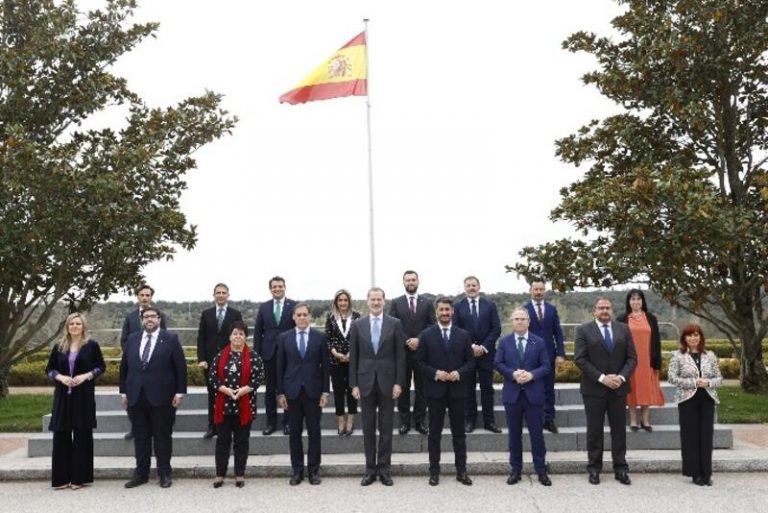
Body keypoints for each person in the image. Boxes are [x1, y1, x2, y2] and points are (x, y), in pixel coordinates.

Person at [119, 306, 187, 489]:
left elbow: (180, 368)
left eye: (153, 316)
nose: (149, 319)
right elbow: (124, 367)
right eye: (146, 316)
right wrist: (123, 392)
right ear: (142, 320)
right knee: (140, 438)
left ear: (159, 319)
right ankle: (141, 474)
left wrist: (180, 393)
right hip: (136, 396)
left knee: (162, 437)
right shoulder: (132, 339)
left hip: (163, 397)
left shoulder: (170, 339)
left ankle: (164, 473)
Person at [573, 297, 637, 486]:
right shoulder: (583, 330)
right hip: (594, 389)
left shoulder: (623, 329)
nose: (604, 311)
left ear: (612, 310)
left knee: (619, 431)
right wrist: (603, 378)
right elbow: (580, 359)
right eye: (601, 308)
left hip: (618, 389)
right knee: (594, 431)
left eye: (607, 308)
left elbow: (632, 359)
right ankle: (594, 469)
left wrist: (621, 378)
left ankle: (621, 469)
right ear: (594, 311)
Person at [349, 287, 406, 486]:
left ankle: (384, 470)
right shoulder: (357, 325)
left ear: (384, 301)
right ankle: (369, 471)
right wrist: (353, 384)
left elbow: (400, 356)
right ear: (367, 301)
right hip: (364, 383)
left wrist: (399, 382)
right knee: (368, 429)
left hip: (388, 383)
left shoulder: (395, 324)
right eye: (372, 299)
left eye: (378, 299)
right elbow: (353, 356)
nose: (375, 302)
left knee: (386, 429)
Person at [415, 298, 475, 486]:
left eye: (447, 310)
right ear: (436, 312)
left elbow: (471, 362)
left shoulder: (464, 335)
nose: (444, 313)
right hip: (435, 392)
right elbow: (419, 362)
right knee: (434, 434)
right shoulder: (426, 335)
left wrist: (459, 373)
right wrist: (435, 373)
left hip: (458, 391)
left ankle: (462, 471)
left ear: (452, 312)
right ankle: (434, 472)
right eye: (441, 310)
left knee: (459, 434)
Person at [45, 313, 106, 490]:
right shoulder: (59, 346)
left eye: (78, 323)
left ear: (83, 327)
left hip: (83, 396)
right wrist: (60, 377)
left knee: (82, 436)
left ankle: (79, 478)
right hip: (63, 396)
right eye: (71, 323)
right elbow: (49, 369)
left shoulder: (91, 346)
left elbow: (101, 367)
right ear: (67, 326)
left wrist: (86, 376)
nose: (74, 326)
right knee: (61, 435)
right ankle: (61, 479)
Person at [495, 308, 552, 486]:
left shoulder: (539, 342)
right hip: (512, 395)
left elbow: (546, 366)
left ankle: (541, 470)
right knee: (514, 436)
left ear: (529, 321)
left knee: (537, 436)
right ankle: (516, 470)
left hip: (533, 395)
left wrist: (532, 375)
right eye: (516, 319)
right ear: (512, 322)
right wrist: (512, 374)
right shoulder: (504, 342)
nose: (519, 322)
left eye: (523, 319)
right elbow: (497, 363)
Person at [277, 303, 330, 485]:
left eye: (305, 314)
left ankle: (314, 471)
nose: (302, 318)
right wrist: (280, 393)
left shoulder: (320, 338)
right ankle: (297, 471)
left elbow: (326, 367)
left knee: (314, 433)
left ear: (310, 316)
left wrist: (325, 391)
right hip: (291, 393)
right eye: (298, 315)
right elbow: (279, 368)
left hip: (314, 393)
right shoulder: (284, 338)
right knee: (294, 435)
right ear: (293, 317)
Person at [209, 321, 264, 488]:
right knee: (222, 442)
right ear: (230, 336)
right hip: (223, 406)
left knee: (241, 442)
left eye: (241, 334)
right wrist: (225, 389)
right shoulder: (220, 355)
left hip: (244, 405)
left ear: (245, 336)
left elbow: (259, 377)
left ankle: (239, 474)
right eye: (235, 333)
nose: (237, 337)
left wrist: (243, 391)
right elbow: (212, 377)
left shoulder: (254, 356)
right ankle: (220, 475)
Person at [667, 324, 722, 486]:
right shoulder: (677, 356)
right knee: (690, 436)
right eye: (689, 335)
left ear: (701, 337)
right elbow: (671, 377)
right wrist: (693, 382)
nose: (693, 338)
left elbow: (719, 377)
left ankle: (706, 473)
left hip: (707, 399)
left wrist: (708, 382)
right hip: (687, 400)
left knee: (706, 436)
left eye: (696, 335)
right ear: (684, 338)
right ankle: (694, 473)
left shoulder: (710, 355)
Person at [452, 276, 501, 433]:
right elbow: (456, 329)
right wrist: (471, 347)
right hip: (467, 355)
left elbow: (496, 328)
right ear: (464, 288)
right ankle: (470, 421)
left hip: (486, 355)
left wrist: (484, 347)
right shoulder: (458, 306)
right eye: (468, 285)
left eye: (474, 285)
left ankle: (489, 422)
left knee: (487, 389)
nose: (471, 288)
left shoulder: (490, 305)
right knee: (468, 389)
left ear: (479, 287)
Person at [389, 270, 435, 435]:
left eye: (413, 279)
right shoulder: (396, 303)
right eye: (407, 280)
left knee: (422, 389)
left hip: (422, 352)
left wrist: (419, 340)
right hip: (403, 352)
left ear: (418, 281)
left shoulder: (427, 302)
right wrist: (407, 340)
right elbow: (392, 325)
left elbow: (432, 325)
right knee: (403, 387)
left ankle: (420, 421)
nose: (410, 282)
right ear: (403, 282)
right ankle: (404, 422)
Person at [119, 284, 168, 440]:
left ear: (151, 297)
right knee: (133, 396)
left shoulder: (161, 316)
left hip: (154, 365)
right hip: (134, 364)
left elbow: (164, 338)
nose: (145, 298)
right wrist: (132, 356)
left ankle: (154, 429)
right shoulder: (130, 317)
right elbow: (124, 339)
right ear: (137, 296)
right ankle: (135, 427)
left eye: (148, 295)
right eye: (142, 295)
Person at [197, 282, 243, 439]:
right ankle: (213, 426)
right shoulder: (206, 314)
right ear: (214, 295)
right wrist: (202, 358)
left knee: (230, 393)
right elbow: (201, 338)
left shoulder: (235, 314)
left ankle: (228, 426)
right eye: (218, 292)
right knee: (212, 394)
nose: (221, 295)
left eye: (224, 292)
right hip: (209, 362)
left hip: (230, 361)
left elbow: (239, 337)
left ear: (228, 295)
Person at [616, 289, 665, 431]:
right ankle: (633, 421)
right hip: (629, 361)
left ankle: (645, 420)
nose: (636, 302)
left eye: (638, 299)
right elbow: (618, 342)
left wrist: (657, 361)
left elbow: (657, 342)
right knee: (632, 389)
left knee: (646, 389)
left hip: (647, 360)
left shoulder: (651, 318)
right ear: (628, 302)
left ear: (642, 301)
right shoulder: (622, 319)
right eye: (632, 299)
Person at [253, 276, 296, 435]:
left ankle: (288, 422)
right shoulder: (264, 307)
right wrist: (256, 355)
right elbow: (258, 332)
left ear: (285, 287)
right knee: (270, 389)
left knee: (288, 388)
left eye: (280, 286)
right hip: (268, 354)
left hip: (289, 353)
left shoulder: (294, 305)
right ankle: (271, 423)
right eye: (274, 287)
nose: (277, 289)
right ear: (270, 289)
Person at [524, 278, 565, 433]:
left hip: (549, 355)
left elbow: (558, 333)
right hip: (530, 356)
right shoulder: (525, 310)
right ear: (531, 291)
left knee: (548, 388)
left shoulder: (551, 309)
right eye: (536, 289)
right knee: (531, 388)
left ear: (544, 291)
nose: (539, 292)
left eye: (541, 289)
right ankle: (534, 419)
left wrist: (560, 353)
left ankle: (549, 419)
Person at [325, 289, 360, 435]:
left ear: (349, 302)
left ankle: (351, 420)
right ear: (336, 302)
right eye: (340, 300)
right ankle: (340, 421)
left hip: (353, 361)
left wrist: (351, 353)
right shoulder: (331, 317)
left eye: (345, 300)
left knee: (352, 391)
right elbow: (328, 338)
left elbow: (360, 337)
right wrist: (335, 353)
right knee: (339, 392)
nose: (343, 303)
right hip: (336, 361)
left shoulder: (357, 316)